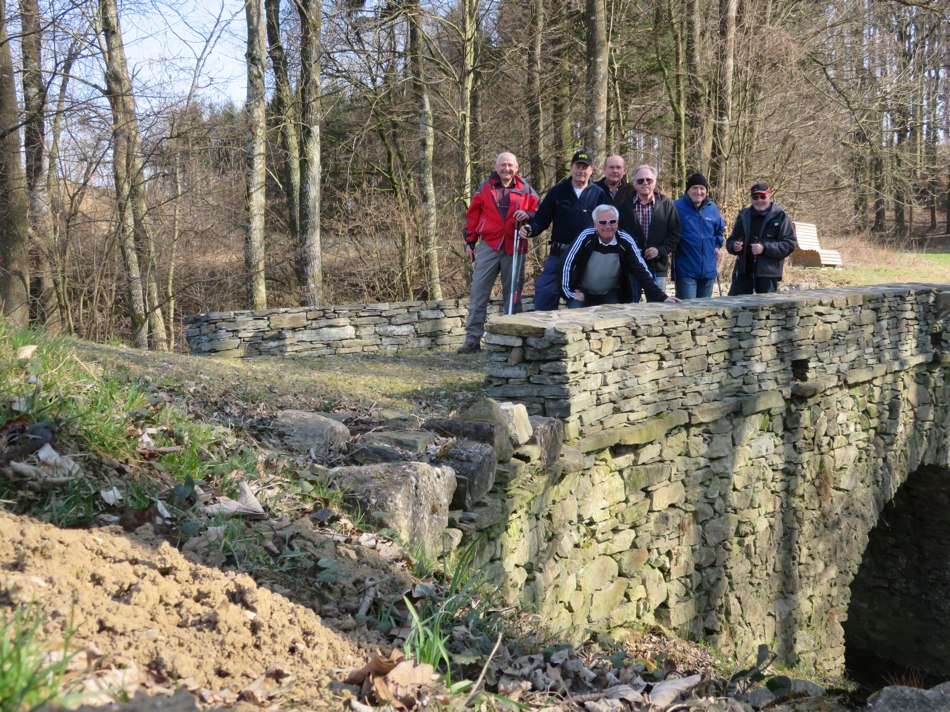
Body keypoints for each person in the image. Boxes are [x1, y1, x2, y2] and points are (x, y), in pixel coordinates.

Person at [458, 151, 539, 354]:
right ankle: (472, 340)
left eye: (510, 165)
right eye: (503, 165)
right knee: (478, 293)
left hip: (516, 245)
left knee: (512, 295)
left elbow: (540, 212)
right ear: (495, 167)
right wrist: (470, 242)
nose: (506, 169)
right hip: (489, 245)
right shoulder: (485, 188)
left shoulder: (525, 189)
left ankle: (512, 340)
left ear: (517, 167)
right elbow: (473, 216)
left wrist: (528, 215)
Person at [519, 151, 608, 311]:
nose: (581, 171)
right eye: (577, 166)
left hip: (587, 258)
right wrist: (530, 229)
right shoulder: (558, 191)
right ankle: (543, 331)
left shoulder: (599, 194)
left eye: (585, 167)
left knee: (583, 301)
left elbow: (607, 225)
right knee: (544, 291)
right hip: (559, 255)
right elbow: (542, 219)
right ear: (571, 168)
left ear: (591, 170)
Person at [561, 205, 681, 307]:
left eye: (612, 222)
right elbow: (565, 264)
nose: (608, 226)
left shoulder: (625, 240)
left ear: (617, 223)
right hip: (582, 292)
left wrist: (661, 296)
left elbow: (641, 269)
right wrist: (569, 293)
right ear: (595, 224)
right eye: (602, 222)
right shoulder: (585, 237)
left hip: (610, 293)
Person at [617, 164, 680, 300]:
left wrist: (660, 250)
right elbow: (618, 234)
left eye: (649, 180)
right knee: (630, 305)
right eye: (640, 180)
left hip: (657, 265)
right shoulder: (624, 206)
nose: (645, 183)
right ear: (634, 183)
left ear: (655, 182)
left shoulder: (666, 204)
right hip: (632, 266)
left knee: (658, 306)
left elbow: (675, 234)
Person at [726, 182, 797, 295]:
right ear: (751, 199)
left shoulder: (781, 216)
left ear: (770, 196)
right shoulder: (743, 215)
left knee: (765, 310)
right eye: (755, 197)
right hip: (743, 273)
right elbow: (730, 241)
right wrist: (734, 246)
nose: (759, 200)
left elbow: (789, 244)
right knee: (734, 308)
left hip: (767, 274)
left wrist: (764, 248)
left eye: (763, 196)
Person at [673, 173, 726, 299]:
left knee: (705, 311)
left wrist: (717, 246)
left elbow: (719, 229)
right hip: (686, 270)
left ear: (707, 191)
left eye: (702, 188)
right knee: (687, 310)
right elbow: (669, 232)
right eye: (695, 188)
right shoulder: (676, 207)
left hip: (709, 271)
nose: (699, 191)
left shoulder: (712, 207)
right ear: (688, 190)